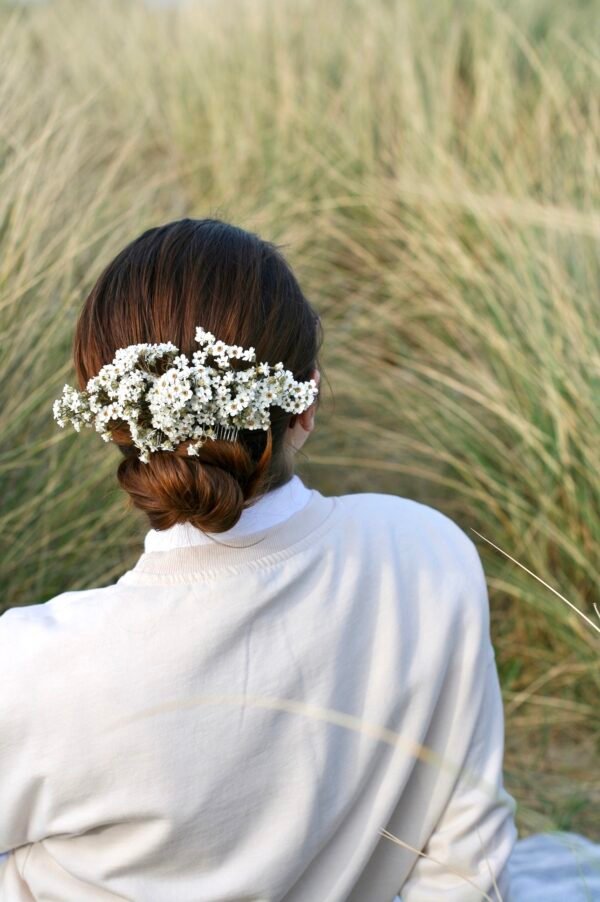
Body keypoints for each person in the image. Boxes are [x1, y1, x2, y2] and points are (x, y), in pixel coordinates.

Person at [1, 218, 597, 901]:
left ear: (111, 417)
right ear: (306, 399)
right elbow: (466, 870)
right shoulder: (428, 553)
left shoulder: (31, 669)